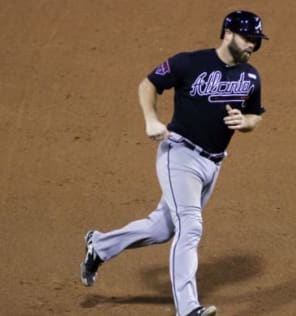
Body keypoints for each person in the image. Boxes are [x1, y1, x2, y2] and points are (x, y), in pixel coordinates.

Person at [80, 10, 269, 316]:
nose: (253, 45)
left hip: (213, 165)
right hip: (179, 154)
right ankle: (187, 309)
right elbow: (148, 84)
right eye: (248, 38)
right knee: (191, 227)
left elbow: (256, 115)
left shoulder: (251, 76)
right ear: (228, 33)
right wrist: (151, 119)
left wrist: (244, 121)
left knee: (162, 228)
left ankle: (99, 245)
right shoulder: (189, 63)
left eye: (257, 41)